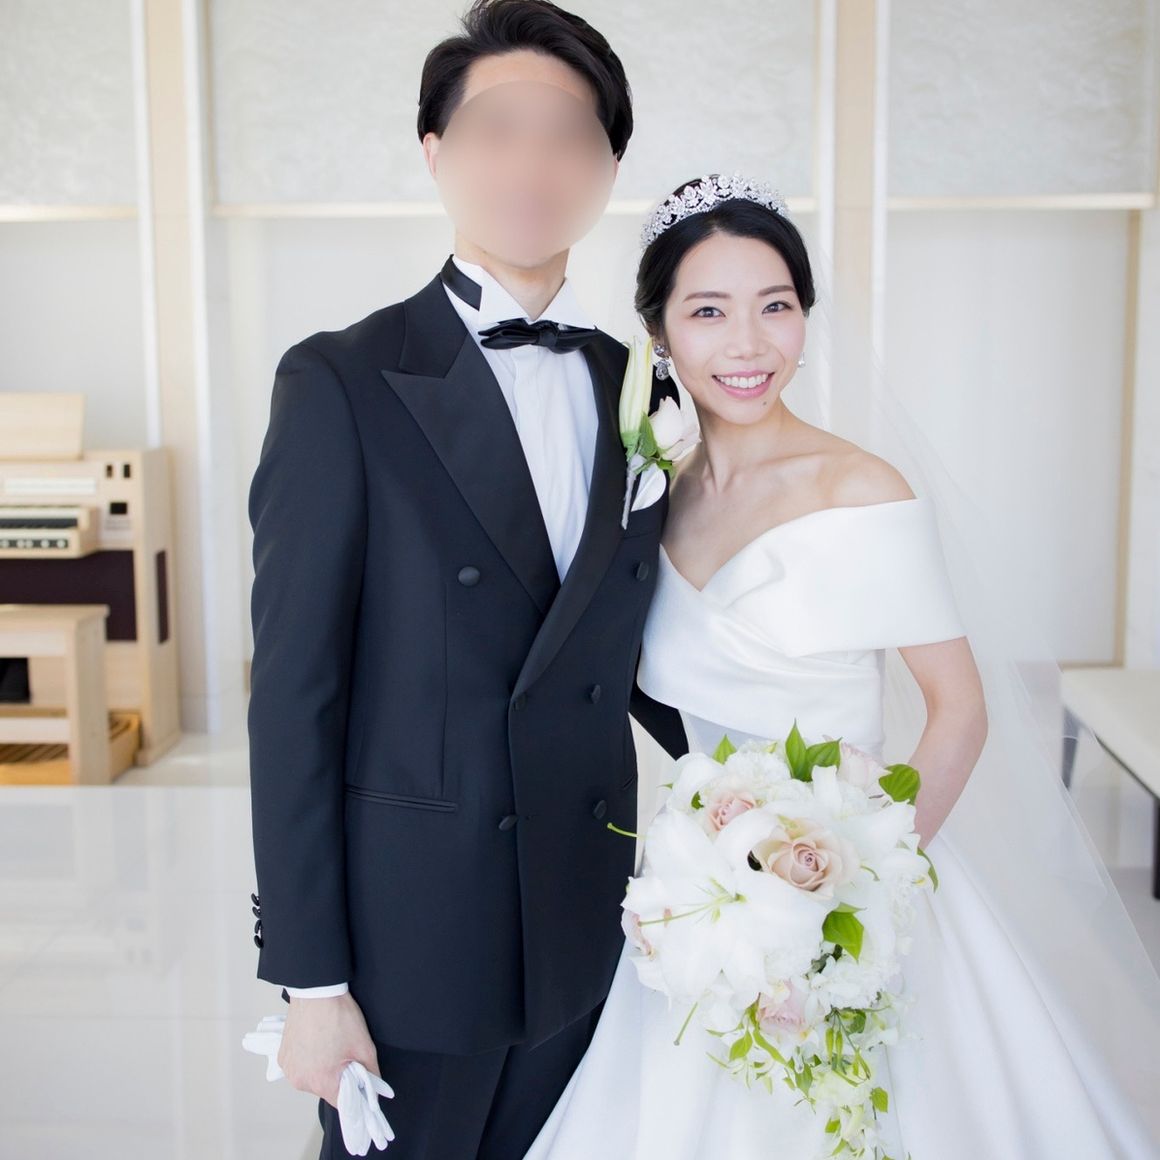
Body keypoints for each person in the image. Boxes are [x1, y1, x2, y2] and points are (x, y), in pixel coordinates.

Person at [523, 174, 1160, 1159]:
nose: (747, 345)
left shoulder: (860, 489)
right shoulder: (657, 490)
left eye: (775, 306)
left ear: (805, 318)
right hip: (703, 895)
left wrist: (853, 891)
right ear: (658, 332)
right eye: (708, 311)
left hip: (853, 886)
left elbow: (958, 711)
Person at [245, 3, 688, 1156]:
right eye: (498, 129)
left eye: (568, 134)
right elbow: (292, 698)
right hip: (412, 940)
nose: (532, 164)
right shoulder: (341, 381)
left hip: (588, 916)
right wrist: (310, 980)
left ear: (606, 168)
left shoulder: (640, 388)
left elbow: (633, 648)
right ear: (435, 151)